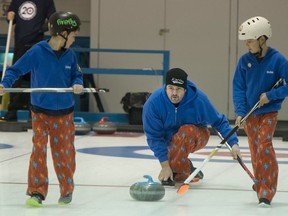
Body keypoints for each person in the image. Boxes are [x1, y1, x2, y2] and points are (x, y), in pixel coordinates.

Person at [0, 11, 82, 207]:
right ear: (62, 33)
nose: (74, 39)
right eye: (73, 35)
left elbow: (77, 76)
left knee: (64, 152)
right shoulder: (37, 52)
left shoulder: (70, 56)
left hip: (64, 112)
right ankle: (37, 192)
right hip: (40, 111)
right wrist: (4, 84)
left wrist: (78, 84)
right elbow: (15, 70)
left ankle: (66, 190)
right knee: (38, 150)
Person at [142, 68, 241, 186]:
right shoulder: (153, 103)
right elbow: (154, 137)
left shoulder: (199, 100)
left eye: (178, 89)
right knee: (171, 159)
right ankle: (186, 167)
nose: (174, 93)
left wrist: (233, 143)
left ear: (185, 89)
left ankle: (180, 174)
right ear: (165, 87)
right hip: (169, 140)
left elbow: (219, 122)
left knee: (186, 132)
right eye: (170, 88)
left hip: (196, 136)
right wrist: (164, 166)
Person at [233, 16, 288, 207]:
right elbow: (238, 88)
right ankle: (260, 182)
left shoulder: (278, 60)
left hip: (269, 112)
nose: (247, 45)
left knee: (264, 145)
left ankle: (266, 191)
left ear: (262, 39)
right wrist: (240, 112)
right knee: (255, 150)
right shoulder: (244, 61)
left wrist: (271, 96)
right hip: (250, 114)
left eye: (249, 40)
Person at [0, 0, 56, 122]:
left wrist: (39, 29)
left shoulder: (46, 1)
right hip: (20, 43)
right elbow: (11, 18)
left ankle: (34, 113)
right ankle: (12, 111)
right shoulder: (17, 0)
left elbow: (53, 20)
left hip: (37, 45)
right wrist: (9, 15)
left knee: (36, 79)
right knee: (16, 78)